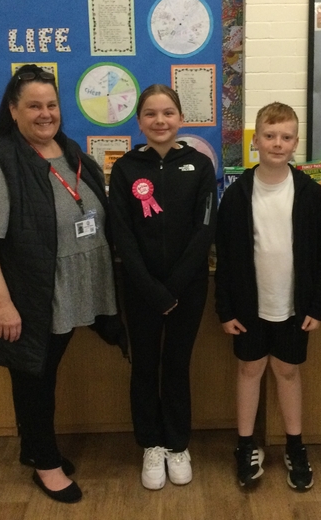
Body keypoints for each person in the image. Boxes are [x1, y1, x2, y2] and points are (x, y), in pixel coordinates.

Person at [0, 64, 118, 504]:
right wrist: (3, 305)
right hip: (32, 294)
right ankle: (45, 462)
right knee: (35, 376)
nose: (46, 114)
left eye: (52, 105)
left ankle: (33, 447)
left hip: (71, 288)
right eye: (34, 106)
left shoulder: (69, 152)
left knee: (42, 371)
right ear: (13, 110)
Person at [215, 102, 321, 491]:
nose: (277, 144)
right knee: (249, 370)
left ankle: (295, 446)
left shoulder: (310, 193)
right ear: (256, 141)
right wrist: (225, 308)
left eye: (285, 137)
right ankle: (245, 445)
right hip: (250, 307)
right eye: (269, 136)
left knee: (287, 371)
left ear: (295, 142)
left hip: (293, 307)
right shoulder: (237, 196)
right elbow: (227, 259)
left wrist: (317, 305)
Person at [108, 84, 217, 491]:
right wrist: (153, 289)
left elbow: (205, 228)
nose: (160, 121)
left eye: (168, 113)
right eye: (151, 114)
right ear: (139, 121)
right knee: (145, 367)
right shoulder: (125, 169)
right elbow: (122, 233)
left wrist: (174, 286)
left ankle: (177, 444)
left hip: (187, 288)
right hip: (141, 289)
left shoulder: (199, 165)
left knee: (177, 366)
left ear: (180, 118)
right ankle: (150, 444)